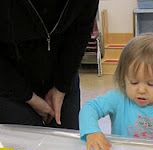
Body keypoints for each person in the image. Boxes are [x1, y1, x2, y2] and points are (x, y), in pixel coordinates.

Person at [79, 33, 153, 150]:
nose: (141, 90)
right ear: (123, 78)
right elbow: (90, 108)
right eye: (133, 82)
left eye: (151, 83)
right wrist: (92, 131)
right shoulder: (118, 97)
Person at [0, 0, 99, 129]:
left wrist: (61, 87)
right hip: (9, 79)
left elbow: (81, 30)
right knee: (22, 143)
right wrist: (29, 97)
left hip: (63, 72)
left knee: (66, 141)